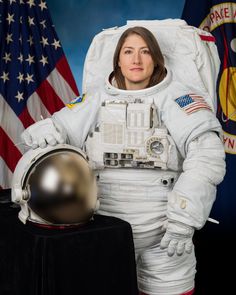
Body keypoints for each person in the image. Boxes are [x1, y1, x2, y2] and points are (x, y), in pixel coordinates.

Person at [21, 26, 226, 295]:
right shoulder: (96, 98)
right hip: (103, 227)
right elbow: (61, 126)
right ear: (118, 58)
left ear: (156, 59)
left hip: (165, 231)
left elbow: (207, 158)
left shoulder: (179, 98)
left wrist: (184, 218)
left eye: (145, 52)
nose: (136, 60)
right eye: (128, 52)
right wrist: (45, 132)